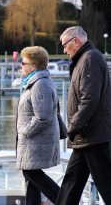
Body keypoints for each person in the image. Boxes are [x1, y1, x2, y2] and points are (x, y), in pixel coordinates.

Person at [55, 26, 111, 205]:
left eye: (65, 45)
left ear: (76, 41)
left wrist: (72, 127)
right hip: (86, 136)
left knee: (107, 186)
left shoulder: (90, 59)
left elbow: (90, 99)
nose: (64, 50)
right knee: (71, 184)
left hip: (93, 135)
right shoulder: (84, 59)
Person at [16, 46, 60, 205]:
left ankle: (64, 200)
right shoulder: (33, 82)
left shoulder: (40, 84)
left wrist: (25, 131)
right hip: (32, 141)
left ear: (33, 66)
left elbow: (43, 117)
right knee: (30, 176)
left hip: (35, 140)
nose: (21, 65)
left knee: (32, 173)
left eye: (23, 62)